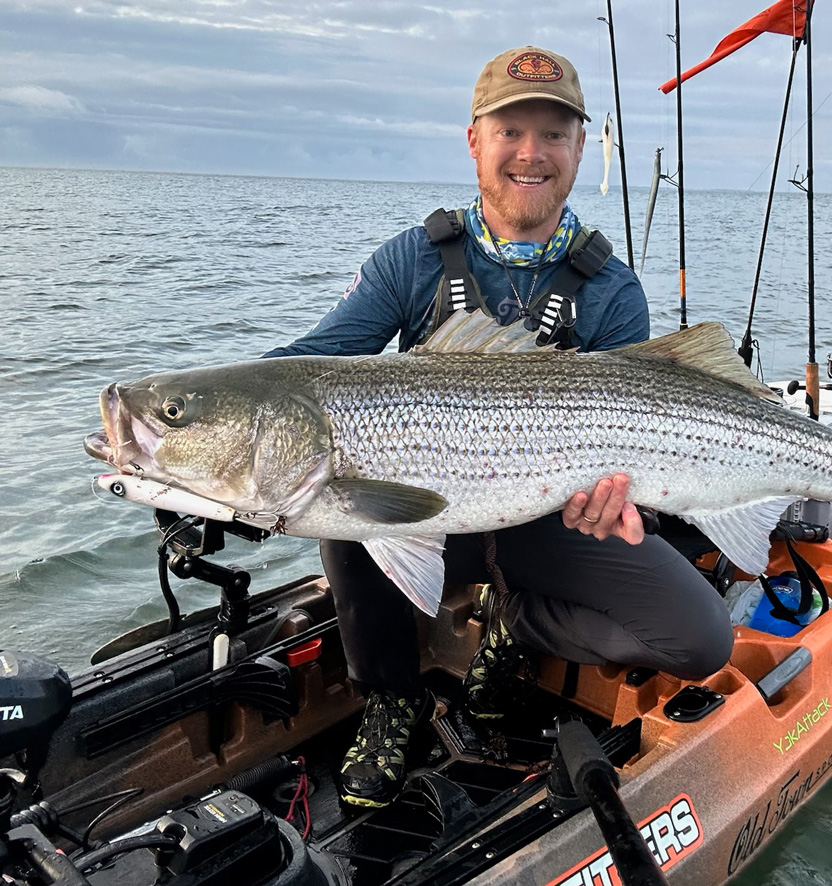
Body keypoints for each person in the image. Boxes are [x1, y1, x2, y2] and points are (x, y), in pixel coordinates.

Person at [266, 45, 733, 808]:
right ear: (475, 140)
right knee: (344, 506)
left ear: (580, 148)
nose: (531, 153)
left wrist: (619, 501)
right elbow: (308, 365)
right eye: (511, 130)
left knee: (700, 640)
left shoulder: (612, 290)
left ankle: (518, 625)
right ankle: (393, 700)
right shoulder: (410, 261)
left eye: (554, 133)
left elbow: (640, 430)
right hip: (423, 519)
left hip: (545, 519)